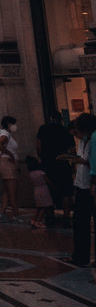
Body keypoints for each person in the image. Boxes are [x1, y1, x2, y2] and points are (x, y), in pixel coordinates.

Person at [63, 112, 96, 265]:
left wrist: (81, 161)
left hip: (91, 186)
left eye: (77, 130)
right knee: (80, 223)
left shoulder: (93, 140)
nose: (76, 134)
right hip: (82, 186)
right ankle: (80, 256)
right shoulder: (83, 141)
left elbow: (92, 164)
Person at [37, 112, 73, 222]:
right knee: (66, 191)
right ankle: (66, 216)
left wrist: (42, 158)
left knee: (49, 191)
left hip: (48, 163)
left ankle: (50, 216)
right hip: (62, 163)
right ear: (60, 119)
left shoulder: (43, 129)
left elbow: (38, 146)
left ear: (50, 118)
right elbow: (72, 150)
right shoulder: (65, 130)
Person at [0, 115, 20, 220]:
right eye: (13, 124)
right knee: (12, 191)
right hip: (8, 163)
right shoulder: (6, 134)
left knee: (6, 190)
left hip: (3, 163)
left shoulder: (0, 132)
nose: (15, 126)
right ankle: (16, 214)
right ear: (9, 124)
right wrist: (10, 154)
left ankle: (2, 212)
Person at [26, 154, 53, 229]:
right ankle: (38, 221)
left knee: (39, 207)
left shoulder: (31, 174)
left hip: (36, 190)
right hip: (44, 190)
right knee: (44, 207)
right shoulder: (41, 172)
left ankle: (34, 220)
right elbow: (47, 181)